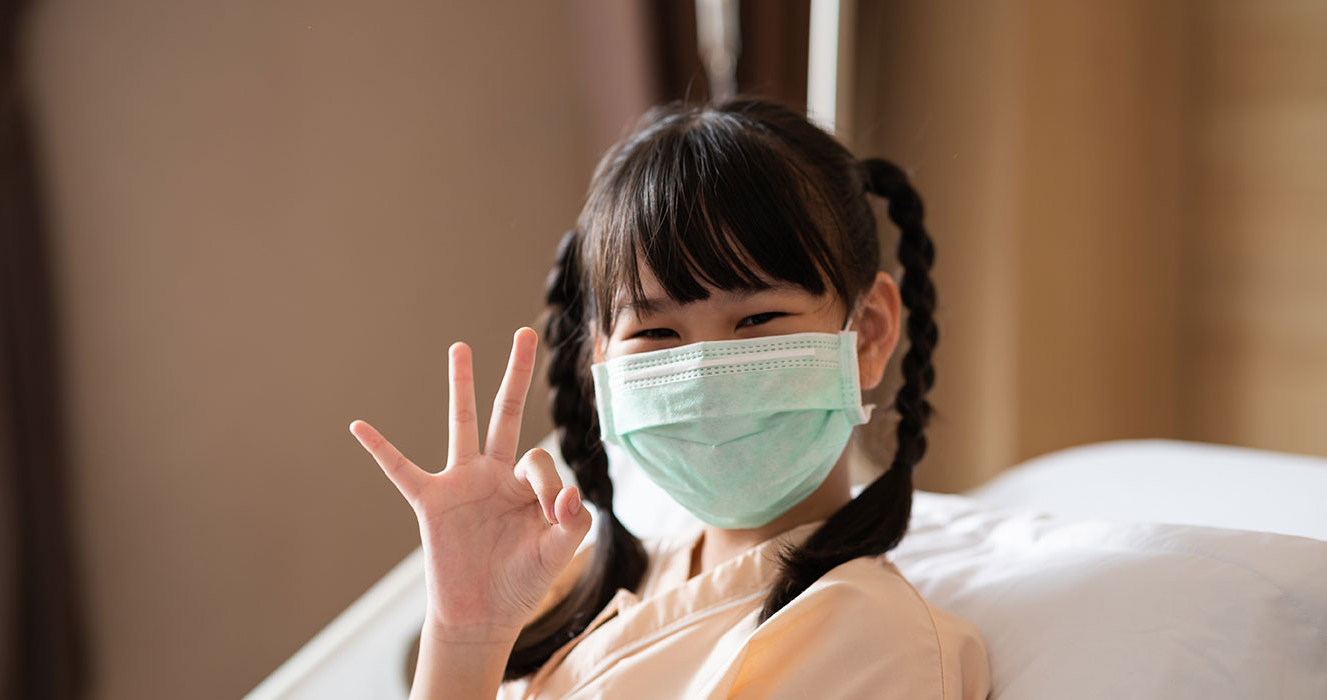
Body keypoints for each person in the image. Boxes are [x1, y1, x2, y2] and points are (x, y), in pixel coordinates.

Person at [349, 96, 991, 700]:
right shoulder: (565, 586)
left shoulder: (875, 643)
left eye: (757, 320)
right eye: (656, 332)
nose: (704, 372)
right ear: (600, 359)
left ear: (868, 332)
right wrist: (464, 632)